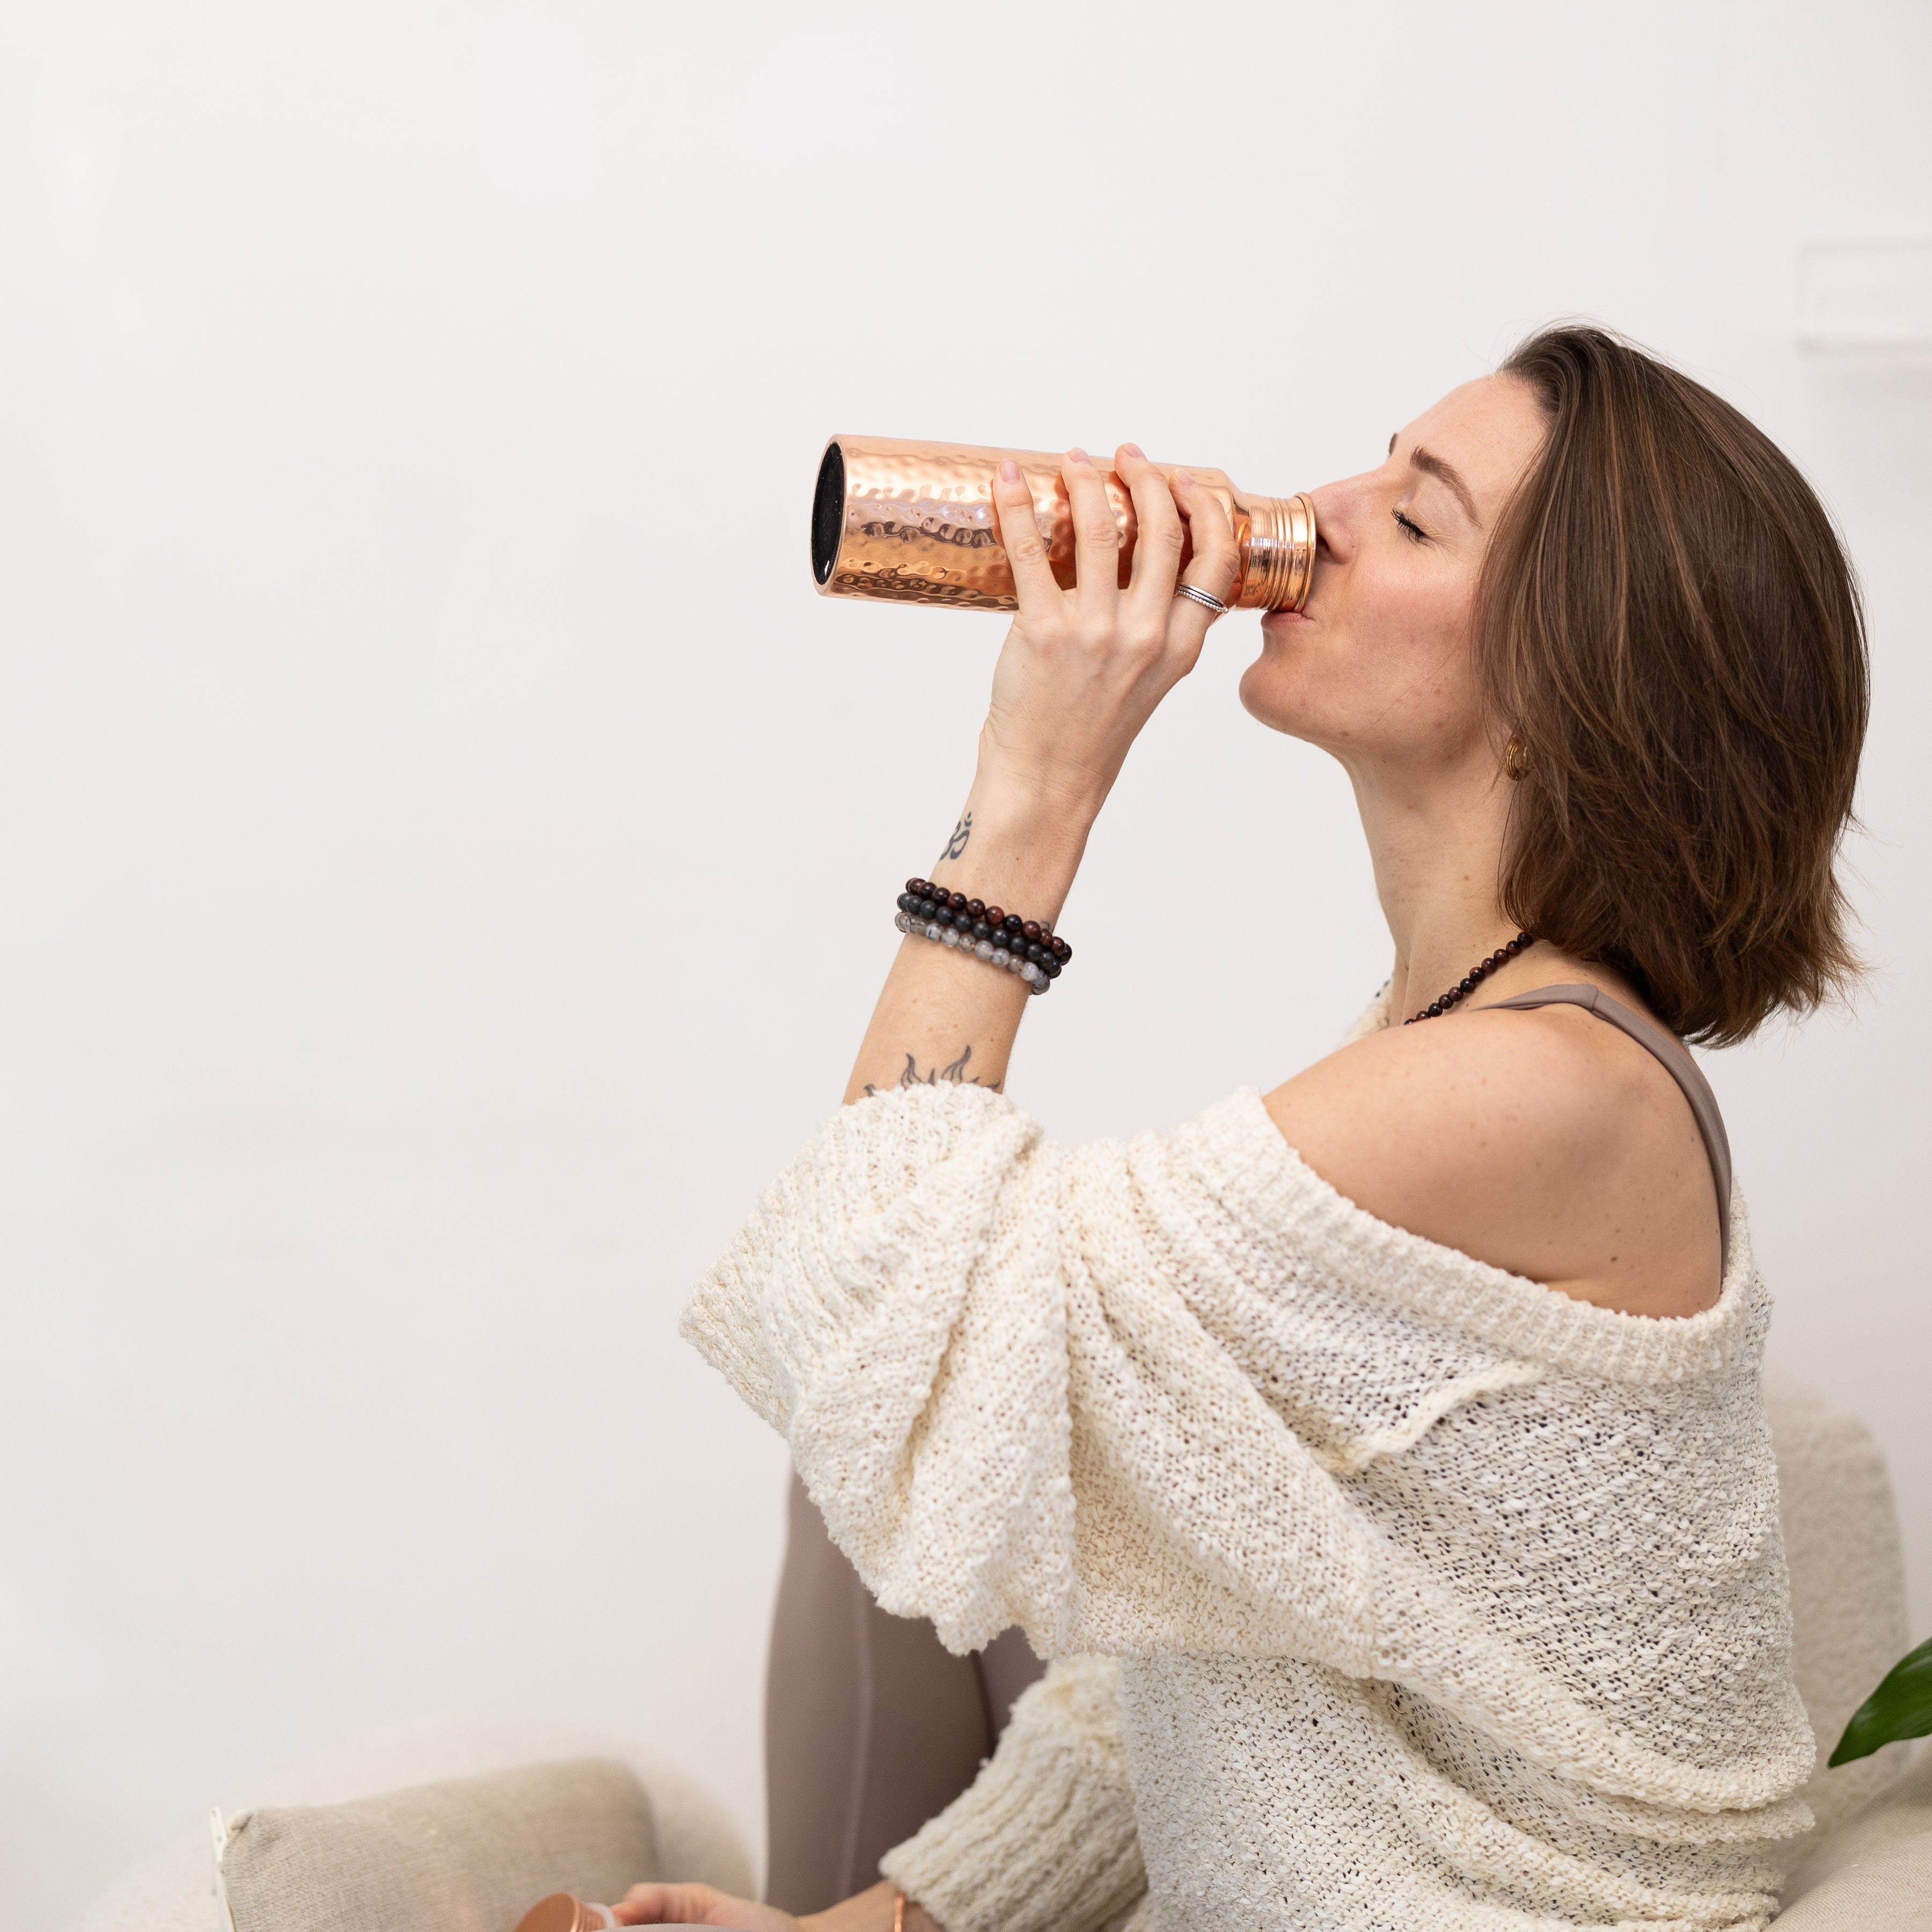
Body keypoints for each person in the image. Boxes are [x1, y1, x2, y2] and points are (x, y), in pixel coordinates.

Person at [618, 326, 1868, 1930]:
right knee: (955, 1413)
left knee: (921, 1379)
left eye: (1415, 518)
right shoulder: (1457, 1039)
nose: (1321, 511)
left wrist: (1038, 784)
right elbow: (1223, 1613)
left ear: (1570, 693)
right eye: (1372, 466)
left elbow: (875, 1316)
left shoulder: (1542, 1091)